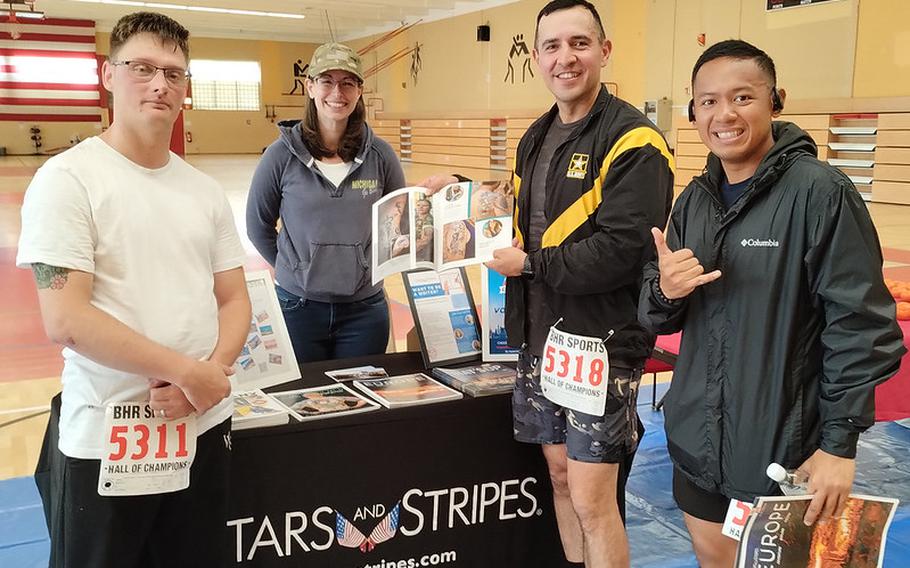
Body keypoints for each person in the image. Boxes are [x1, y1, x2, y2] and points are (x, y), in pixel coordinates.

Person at [421, 2, 674, 565]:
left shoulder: (636, 141)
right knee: (560, 479)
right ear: (537, 57)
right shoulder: (536, 134)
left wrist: (530, 265)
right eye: (552, 46)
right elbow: (519, 212)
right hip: (541, 337)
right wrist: (460, 190)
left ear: (604, 51)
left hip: (599, 344)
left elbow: (621, 251)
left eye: (579, 43)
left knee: (593, 497)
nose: (566, 58)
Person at [639, 39, 906, 568]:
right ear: (694, 112)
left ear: (775, 101)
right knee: (711, 556)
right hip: (697, 443)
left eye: (742, 97)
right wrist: (664, 290)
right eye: (708, 102)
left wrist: (839, 444)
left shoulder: (819, 194)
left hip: (784, 453)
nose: (724, 114)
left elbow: (861, 327)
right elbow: (656, 312)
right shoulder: (695, 200)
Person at [16, 12, 251, 568]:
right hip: (108, 438)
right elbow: (66, 320)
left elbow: (235, 298)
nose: (160, 84)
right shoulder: (67, 180)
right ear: (107, 75)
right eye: (142, 68)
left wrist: (208, 375)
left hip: (199, 424)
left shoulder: (203, 191)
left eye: (174, 73)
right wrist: (189, 372)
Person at [246, 42, 406, 363]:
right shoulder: (280, 156)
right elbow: (257, 225)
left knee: (362, 409)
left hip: (364, 310)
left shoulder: (381, 156)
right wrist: (294, 269)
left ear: (360, 90)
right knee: (301, 402)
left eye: (348, 82)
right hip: (297, 308)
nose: (337, 92)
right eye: (327, 81)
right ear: (310, 86)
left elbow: (399, 220)